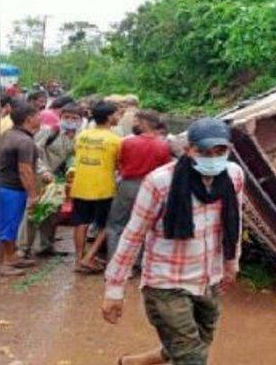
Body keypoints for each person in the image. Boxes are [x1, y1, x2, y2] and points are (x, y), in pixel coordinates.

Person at [102, 118, 244, 365]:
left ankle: (136, 362)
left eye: (220, 151)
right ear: (188, 150)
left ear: (229, 150)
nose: (212, 158)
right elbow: (133, 235)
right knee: (192, 358)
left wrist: (231, 262)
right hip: (166, 281)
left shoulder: (233, 175)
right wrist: (114, 290)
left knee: (197, 343)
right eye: (204, 151)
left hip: (208, 277)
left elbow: (234, 220)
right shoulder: (160, 182)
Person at [18, 103, 82, 258]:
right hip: (40, 177)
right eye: (66, 117)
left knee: (52, 212)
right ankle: (23, 248)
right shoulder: (49, 132)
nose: (70, 121)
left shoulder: (77, 137)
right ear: (60, 117)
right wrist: (44, 171)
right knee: (34, 211)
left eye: (74, 118)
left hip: (57, 180)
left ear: (80, 120)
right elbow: (34, 154)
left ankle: (45, 246)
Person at [106, 110, 172, 261]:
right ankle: (138, 262)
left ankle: (115, 259)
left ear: (143, 123)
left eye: (136, 121)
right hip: (151, 188)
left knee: (117, 223)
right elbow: (165, 169)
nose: (133, 124)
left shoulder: (128, 142)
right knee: (145, 225)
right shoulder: (162, 145)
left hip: (128, 185)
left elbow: (120, 162)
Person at [70, 100, 123, 273]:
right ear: (109, 118)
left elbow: (76, 153)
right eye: (116, 114)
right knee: (106, 224)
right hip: (103, 188)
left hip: (80, 185)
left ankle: (78, 259)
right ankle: (89, 257)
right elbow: (119, 164)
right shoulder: (116, 140)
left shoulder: (82, 135)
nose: (118, 117)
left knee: (80, 223)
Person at [0, 104, 53, 276]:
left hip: (4, 186)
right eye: (38, 115)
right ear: (28, 119)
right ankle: (4, 263)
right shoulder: (24, 141)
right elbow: (25, 170)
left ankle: (11, 256)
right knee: (8, 226)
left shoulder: (8, 135)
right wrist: (32, 194)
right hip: (11, 189)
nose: (41, 118)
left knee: (10, 225)